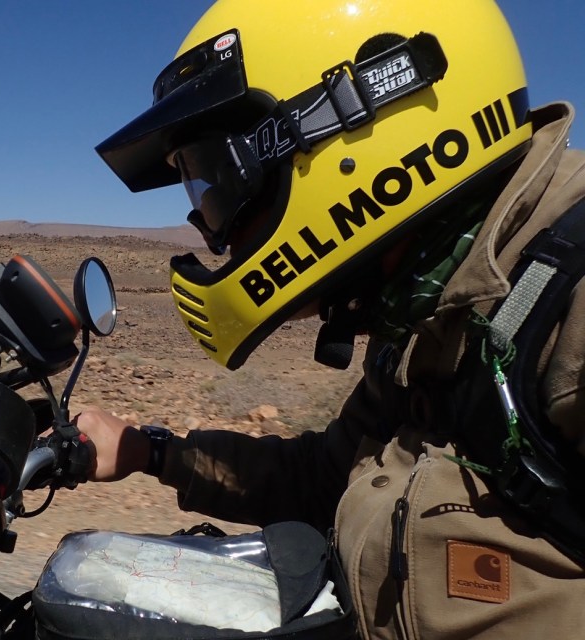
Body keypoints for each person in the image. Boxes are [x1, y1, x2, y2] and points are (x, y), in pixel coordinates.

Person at [79, 0, 585, 637]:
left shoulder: (565, 298)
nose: (214, 231)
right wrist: (152, 452)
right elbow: (324, 477)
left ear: (352, 124)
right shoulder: (422, 312)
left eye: (218, 183)